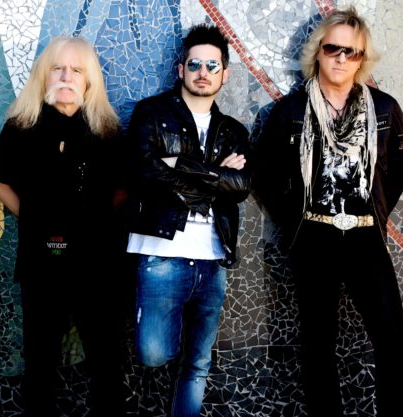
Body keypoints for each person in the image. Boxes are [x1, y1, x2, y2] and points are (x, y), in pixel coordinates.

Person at [254, 6, 403, 417]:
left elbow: (399, 168)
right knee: (318, 345)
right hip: (314, 237)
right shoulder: (291, 112)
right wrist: (296, 223)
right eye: (333, 49)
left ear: (362, 60)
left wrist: (376, 213)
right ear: (318, 52)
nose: (342, 58)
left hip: (365, 235)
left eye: (352, 52)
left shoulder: (384, 110)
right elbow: (266, 175)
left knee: (391, 339)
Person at [0, 36, 127, 417]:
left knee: (105, 360)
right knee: (40, 359)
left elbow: (122, 190)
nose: (66, 77)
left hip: (96, 264)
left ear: (89, 80)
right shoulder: (21, 127)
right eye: (58, 69)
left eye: (76, 70)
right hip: (41, 262)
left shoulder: (107, 131)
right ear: (44, 75)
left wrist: (92, 225)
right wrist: (35, 219)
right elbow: (0, 182)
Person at [126, 24, 250, 417]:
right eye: (194, 64)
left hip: (213, 258)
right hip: (161, 252)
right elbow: (144, 173)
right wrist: (216, 175)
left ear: (224, 74)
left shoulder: (233, 131)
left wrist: (179, 164)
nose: (203, 72)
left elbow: (241, 185)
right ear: (181, 69)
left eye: (212, 65)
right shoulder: (151, 113)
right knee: (153, 353)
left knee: (198, 363)